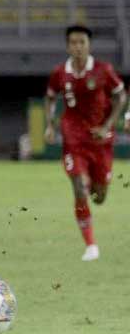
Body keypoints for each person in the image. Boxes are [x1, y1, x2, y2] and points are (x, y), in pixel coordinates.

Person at [45, 25, 127, 262]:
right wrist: (50, 125)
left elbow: (120, 96)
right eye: (73, 42)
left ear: (89, 45)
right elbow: (50, 97)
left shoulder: (103, 70)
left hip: (101, 140)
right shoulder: (60, 73)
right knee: (80, 188)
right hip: (74, 138)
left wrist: (108, 125)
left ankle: (96, 184)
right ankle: (91, 245)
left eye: (82, 42)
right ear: (67, 45)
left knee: (99, 196)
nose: (77, 47)